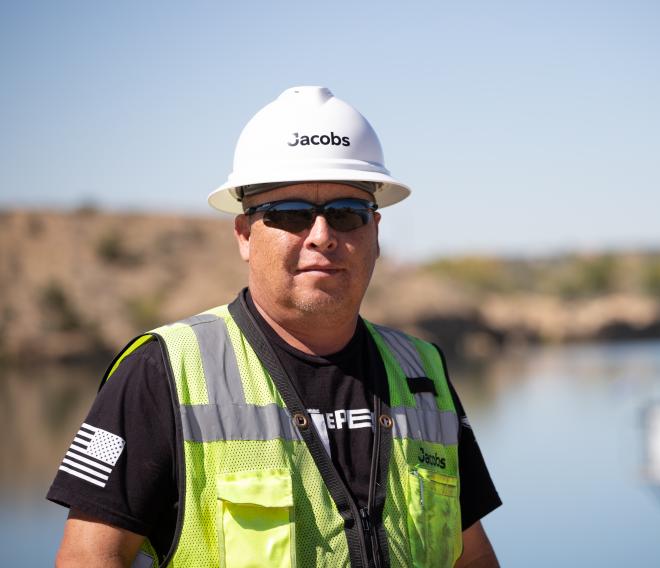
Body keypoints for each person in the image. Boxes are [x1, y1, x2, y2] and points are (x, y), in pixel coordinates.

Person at [47, 86, 501, 567]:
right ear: (244, 235)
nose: (322, 237)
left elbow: (470, 555)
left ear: (376, 232)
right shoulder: (163, 370)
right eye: (290, 216)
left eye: (347, 213)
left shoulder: (423, 373)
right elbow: (87, 557)